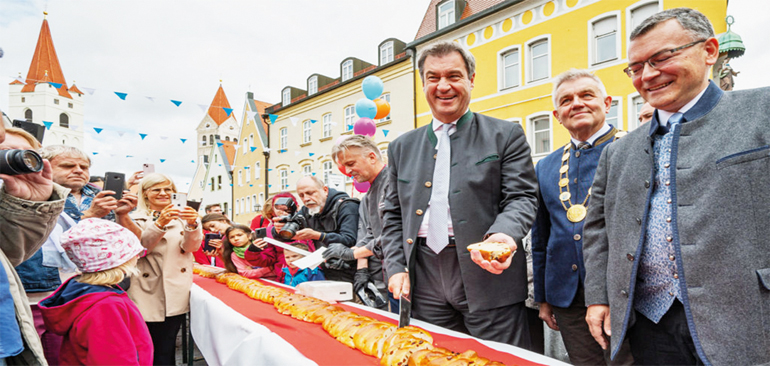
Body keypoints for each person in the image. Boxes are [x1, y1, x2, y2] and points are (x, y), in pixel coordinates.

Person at [583, 8, 770, 365]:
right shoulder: (617, 152)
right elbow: (598, 232)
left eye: (662, 58)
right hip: (650, 326)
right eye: (636, 68)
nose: (647, 76)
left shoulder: (763, 110)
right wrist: (598, 297)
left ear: (710, 51)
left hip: (748, 321)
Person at [381, 40, 538, 348]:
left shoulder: (505, 135)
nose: (443, 86)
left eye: (453, 76)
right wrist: (397, 267)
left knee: (497, 359)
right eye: (433, 77)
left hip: (489, 277)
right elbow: (392, 213)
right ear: (423, 82)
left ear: (471, 79)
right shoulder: (401, 147)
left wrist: (503, 237)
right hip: (423, 276)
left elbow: (522, 197)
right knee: (435, 353)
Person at [531, 69, 633, 365]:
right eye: (566, 100)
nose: (576, 103)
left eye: (586, 95)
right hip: (567, 296)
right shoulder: (546, 166)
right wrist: (543, 296)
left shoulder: (633, 149)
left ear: (607, 103)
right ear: (557, 115)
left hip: (621, 293)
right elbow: (542, 236)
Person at [0, 119, 68, 365]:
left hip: (13, 321)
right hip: (29, 296)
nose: (12, 163)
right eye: (4, 154)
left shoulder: (35, 194)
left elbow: (9, 255)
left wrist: (30, 206)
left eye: (23, 156)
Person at [39, 218, 152, 365]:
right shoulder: (106, 306)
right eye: (134, 252)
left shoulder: (87, 295)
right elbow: (114, 359)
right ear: (120, 260)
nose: (137, 256)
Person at [128, 173, 202, 366]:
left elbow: (191, 248)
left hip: (174, 288)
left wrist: (193, 225)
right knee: (144, 345)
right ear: (145, 193)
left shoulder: (185, 218)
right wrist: (159, 224)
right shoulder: (134, 218)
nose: (163, 193)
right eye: (156, 189)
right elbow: (141, 249)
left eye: (168, 189)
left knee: (167, 347)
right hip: (144, 289)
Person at [327, 135, 390, 311]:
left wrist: (350, 254)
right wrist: (359, 265)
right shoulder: (368, 196)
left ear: (371, 157)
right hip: (382, 275)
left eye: (351, 164)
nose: (347, 171)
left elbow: (393, 236)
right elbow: (368, 235)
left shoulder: (393, 184)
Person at [273, 176, 360, 283]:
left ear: (325, 190)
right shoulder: (307, 210)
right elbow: (290, 232)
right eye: (301, 195)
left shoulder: (347, 206)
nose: (306, 199)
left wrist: (318, 236)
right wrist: (279, 230)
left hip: (353, 271)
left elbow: (351, 239)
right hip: (326, 270)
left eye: (310, 193)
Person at [246, 193, 315, 282]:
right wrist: (253, 252)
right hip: (286, 278)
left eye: (286, 204)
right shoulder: (270, 231)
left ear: (296, 207)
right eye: (277, 206)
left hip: (312, 275)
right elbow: (268, 259)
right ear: (273, 209)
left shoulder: (310, 223)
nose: (282, 209)